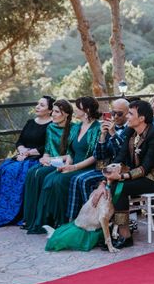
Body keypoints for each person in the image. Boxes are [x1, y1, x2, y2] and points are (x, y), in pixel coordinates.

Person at [106, 100, 154, 249]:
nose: (127, 116)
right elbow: (120, 156)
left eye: (130, 113)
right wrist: (111, 170)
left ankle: (125, 234)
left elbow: (146, 167)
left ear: (142, 118)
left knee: (121, 187)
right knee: (114, 185)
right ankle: (116, 229)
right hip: (142, 176)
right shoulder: (131, 131)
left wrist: (122, 176)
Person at [27, 97, 101, 234]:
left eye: (78, 107)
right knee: (50, 179)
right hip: (72, 164)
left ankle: (64, 220)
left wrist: (74, 168)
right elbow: (70, 153)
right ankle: (49, 221)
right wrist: (66, 166)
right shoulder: (77, 127)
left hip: (87, 166)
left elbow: (95, 155)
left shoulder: (97, 128)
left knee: (59, 181)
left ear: (87, 110)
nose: (76, 110)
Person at [66, 98, 129, 221]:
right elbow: (99, 155)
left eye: (119, 113)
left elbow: (122, 154)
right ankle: (75, 220)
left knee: (83, 180)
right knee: (75, 179)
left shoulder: (129, 129)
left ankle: (93, 218)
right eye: (112, 113)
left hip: (118, 170)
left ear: (128, 113)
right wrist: (102, 135)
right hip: (104, 167)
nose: (115, 116)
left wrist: (113, 133)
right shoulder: (107, 126)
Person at [0, 96, 53, 227]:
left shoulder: (51, 125)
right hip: (22, 155)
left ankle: (15, 213)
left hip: (36, 158)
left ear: (50, 110)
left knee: (17, 172)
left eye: (42, 105)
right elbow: (20, 140)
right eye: (38, 104)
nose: (37, 107)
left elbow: (46, 146)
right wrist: (22, 151)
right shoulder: (30, 122)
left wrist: (28, 153)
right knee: (3, 169)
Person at [22, 99, 77, 231]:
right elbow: (47, 149)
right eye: (53, 111)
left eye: (57, 112)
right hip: (50, 160)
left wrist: (52, 159)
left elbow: (71, 155)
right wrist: (44, 158)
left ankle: (44, 219)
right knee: (31, 173)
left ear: (66, 114)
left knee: (40, 174)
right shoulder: (51, 127)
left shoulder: (74, 129)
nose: (53, 114)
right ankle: (31, 218)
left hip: (64, 162)